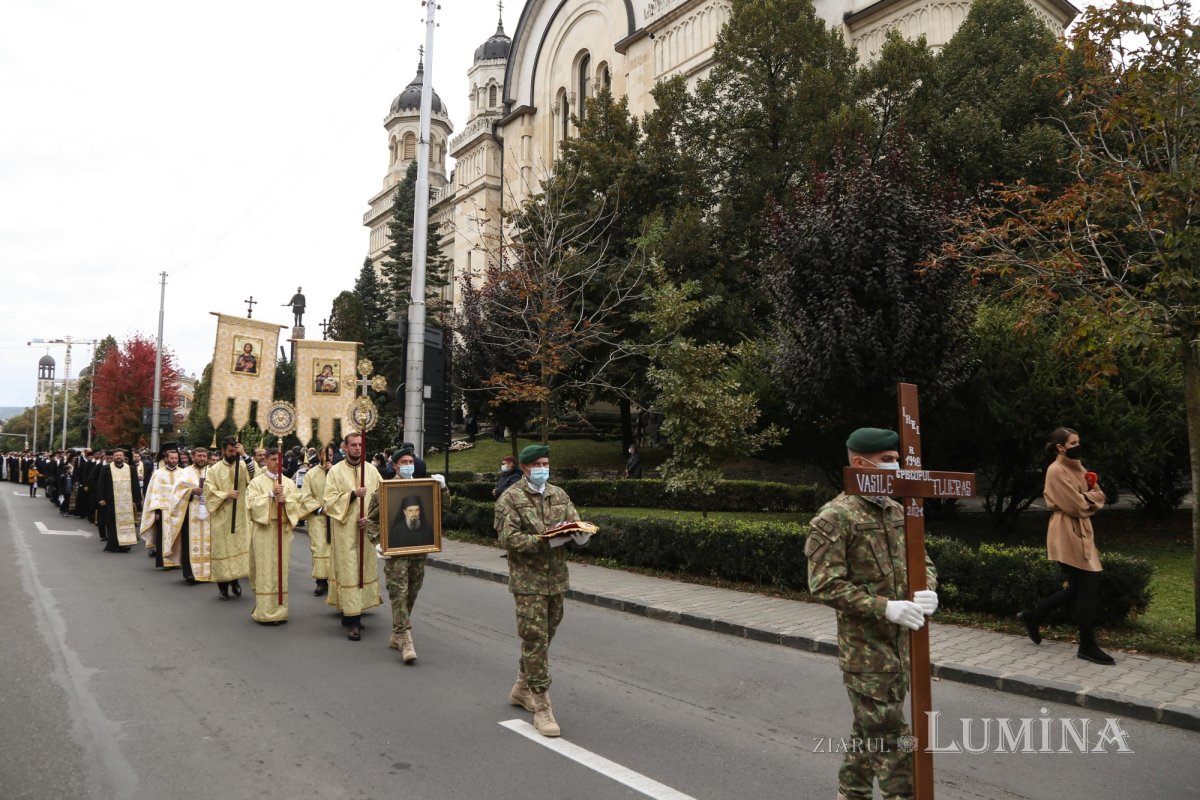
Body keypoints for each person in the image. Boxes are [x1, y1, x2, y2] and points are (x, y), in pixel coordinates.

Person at [806, 427, 939, 800]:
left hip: (901, 648)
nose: (897, 466)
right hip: (865, 654)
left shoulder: (897, 510)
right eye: (888, 461)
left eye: (897, 458)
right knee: (892, 740)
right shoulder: (835, 517)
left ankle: (851, 793)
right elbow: (825, 585)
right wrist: (886, 608)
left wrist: (928, 589)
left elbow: (922, 560)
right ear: (861, 464)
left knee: (870, 729)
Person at [494, 444, 593, 737]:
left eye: (545, 463)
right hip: (528, 582)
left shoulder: (559, 495)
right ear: (524, 468)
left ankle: (522, 687)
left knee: (544, 636)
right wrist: (545, 541)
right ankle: (542, 705)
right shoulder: (510, 498)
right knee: (535, 639)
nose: (542, 468)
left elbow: (574, 521)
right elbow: (508, 539)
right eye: (536, 464)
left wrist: (579, 535)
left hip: (557, 580)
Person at [1018, 427, 1114, 665]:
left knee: (1078, 588)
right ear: (1060, 447)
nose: (1077, 446)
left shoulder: (1079, 467)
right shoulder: (1055, 470)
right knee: (1086, 587)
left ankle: (1032, 616)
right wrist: (1091, 499)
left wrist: (1090, 498)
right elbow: (1076, 506)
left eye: (1078, 441)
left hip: (1082, 531)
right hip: (1066, 532)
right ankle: (1087, 646)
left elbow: (1099, 496)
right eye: (1073, 443)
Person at [369, 447, 450, 663]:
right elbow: (371, 519)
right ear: (395, 465)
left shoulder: (425, 488)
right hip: (396, 553)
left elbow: (443, 511)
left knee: (412, 591)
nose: (408, 465)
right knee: (398, 593)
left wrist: (442, 489)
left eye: (410, 461)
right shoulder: (385, 490)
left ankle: (397, 633)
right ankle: (405, 638)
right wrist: (377, 541)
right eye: (403, 462)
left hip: (419, 550)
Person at [323, 431, 383, 641]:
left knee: (365, 568)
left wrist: (371, 518)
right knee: (349, 571)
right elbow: (329, 501)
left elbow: (381, 498)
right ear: (345, 447)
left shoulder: (372, 471)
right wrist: (351, 495)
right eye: (354, 445)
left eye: (360, 445)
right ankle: (353, 619)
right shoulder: (336, 472)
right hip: (345, 530)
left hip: (366, 530)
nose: (358, 448)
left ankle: (355, 610)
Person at [246, 448, 302, 624]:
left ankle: (280, 609)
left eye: (280, 460)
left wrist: (286, 502)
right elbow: (251, 504)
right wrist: (270, 495)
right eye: (272, 460)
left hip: (282, 530)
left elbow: (297, 504)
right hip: (264, 530)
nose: (277, 463)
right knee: (263, 569)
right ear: (266, 462)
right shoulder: (256, 482)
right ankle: (264, 609)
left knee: (280, 569)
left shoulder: (289, 483)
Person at [204, 437, 251, 601]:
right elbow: (208, 492)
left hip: (239, 517)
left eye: (235, 451)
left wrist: (244, 455)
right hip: (221, 518)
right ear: (223, 450)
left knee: (235, 551)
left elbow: (256, 479)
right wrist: (226, 495)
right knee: (222, 551)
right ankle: (222, 588)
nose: (233, 454)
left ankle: (235, 581)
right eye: (230, 451)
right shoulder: (213, 470)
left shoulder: (243, 465)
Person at [139, 444, 185, 570]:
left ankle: (177, 560)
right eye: (172, 458)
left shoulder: (183, 473)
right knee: (163, 536)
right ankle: (165, 562)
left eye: (176, 458)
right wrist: (156, 512)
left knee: (178, 536)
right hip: (163, 510)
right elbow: (154, 493)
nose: (174, 461)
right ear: (166, 459)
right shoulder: (158, 474)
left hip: (179, 510)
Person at [172, 446, 213, 584]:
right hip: (190, 514)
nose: (202, 459)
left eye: (204, 456)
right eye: (199, 456)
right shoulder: (185, 473)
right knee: (189, 543)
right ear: (193, 457)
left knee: (211, 543)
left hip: (209, 514)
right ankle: (191, 574)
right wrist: (191, 491)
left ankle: (209, 573)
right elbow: (176, 493)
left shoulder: (212, 472)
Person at [299, 447, 332, 596]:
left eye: (330, 455)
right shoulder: (311, 474)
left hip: (336, 518)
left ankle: (334, 579)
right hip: (318, 518)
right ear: (319, 455)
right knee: (319, 549)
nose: (328, 458)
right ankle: (321, 582)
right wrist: (319, 509)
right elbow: (306, 496)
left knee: (335, 550)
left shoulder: (338, 472)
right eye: (325, 455)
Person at [98, 448, 144, 553]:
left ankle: (124, 544)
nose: (119, 457)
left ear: (124, 457)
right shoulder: (106, 468)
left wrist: (136, 500)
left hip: (126, 502)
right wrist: (101, 498)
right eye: (117, 455)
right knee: (112, 523)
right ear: (113, 457)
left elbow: (135, 485)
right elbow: (101, 484)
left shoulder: (131, 469)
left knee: (126, 523)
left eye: (120, 455)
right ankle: (113, 545)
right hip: (111, 501)